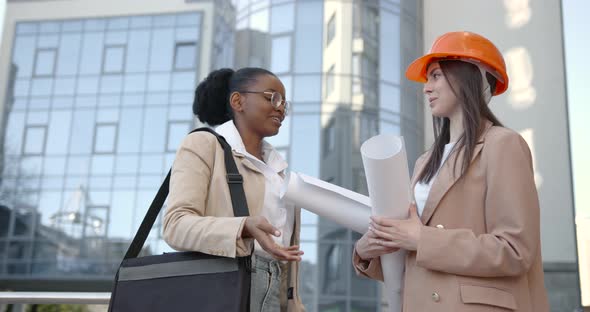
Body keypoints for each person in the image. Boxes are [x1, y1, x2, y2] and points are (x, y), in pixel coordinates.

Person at [352, 31, 549, 311]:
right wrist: (368, 250)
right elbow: (419, 259)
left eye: (435, 75)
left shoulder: (504, 145)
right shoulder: (425, 162)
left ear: (469, 77)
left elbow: (515, 250)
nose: (426, 88)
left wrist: (421, 237)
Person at [163, 67, 305, 312]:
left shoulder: (281, 172)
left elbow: (285, 264)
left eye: (284, 103)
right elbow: (175, 225)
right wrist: (242, 227)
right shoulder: (204, 145)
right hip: (218, 293)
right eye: (272, 97)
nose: (281, 108)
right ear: (238, 101)